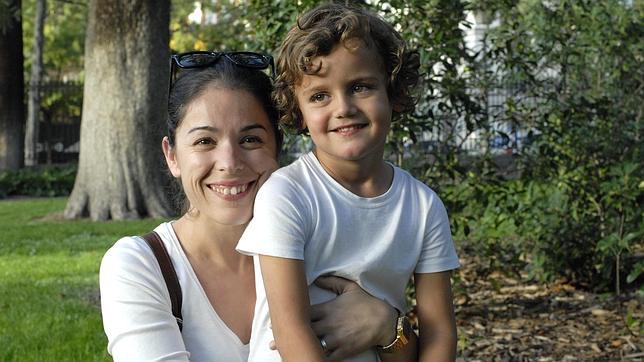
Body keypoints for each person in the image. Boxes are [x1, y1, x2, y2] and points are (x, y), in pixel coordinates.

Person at [99, 51, 408, 361]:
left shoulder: (319, 243)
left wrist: (388, 328)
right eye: (205, 141)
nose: (230, 163)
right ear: (172, 156)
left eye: (250, 140)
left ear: (277, 147)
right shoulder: (141, 266)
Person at [236, 3, 461, 362]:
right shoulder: (286, 195)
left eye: (360, 86)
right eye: (320, 95)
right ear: (300, 113)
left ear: (393, 92)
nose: (343, 107)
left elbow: (439, 335)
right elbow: (290, 330)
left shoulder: (423, 207)